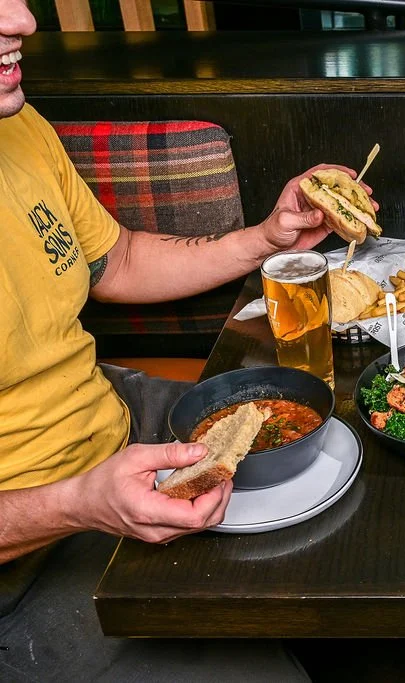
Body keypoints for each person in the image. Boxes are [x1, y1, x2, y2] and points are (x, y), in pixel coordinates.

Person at [0, 0, 376, 678]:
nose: (24, 21)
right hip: (31, 553)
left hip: (121, 421)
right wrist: (76, 501)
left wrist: (267, 238)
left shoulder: (17, 122)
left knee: (359, 490)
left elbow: (118, 260)